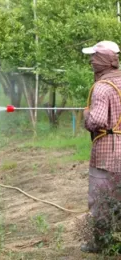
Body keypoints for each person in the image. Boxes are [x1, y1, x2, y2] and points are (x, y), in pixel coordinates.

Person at [82, 40, 121, 252]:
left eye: (94, 57)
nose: (91, 61)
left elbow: (96, 121)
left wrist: (86, 115)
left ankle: (102, 244)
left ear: (104, 61)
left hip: (108, 153)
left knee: (101, 198)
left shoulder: (102, 87)